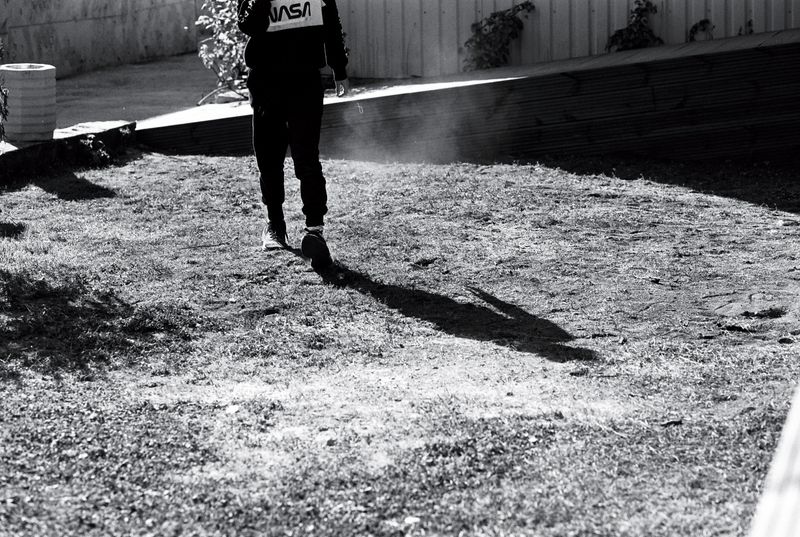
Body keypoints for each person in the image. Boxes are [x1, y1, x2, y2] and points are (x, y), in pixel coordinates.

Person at [237, 0, 350, 270]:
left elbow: (331, 24)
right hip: (265, 81)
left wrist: (339, 69)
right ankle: (275, 225)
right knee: (269, 157)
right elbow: (248, 23)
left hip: (305, 81)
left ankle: (315, 231)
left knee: (306, 156)